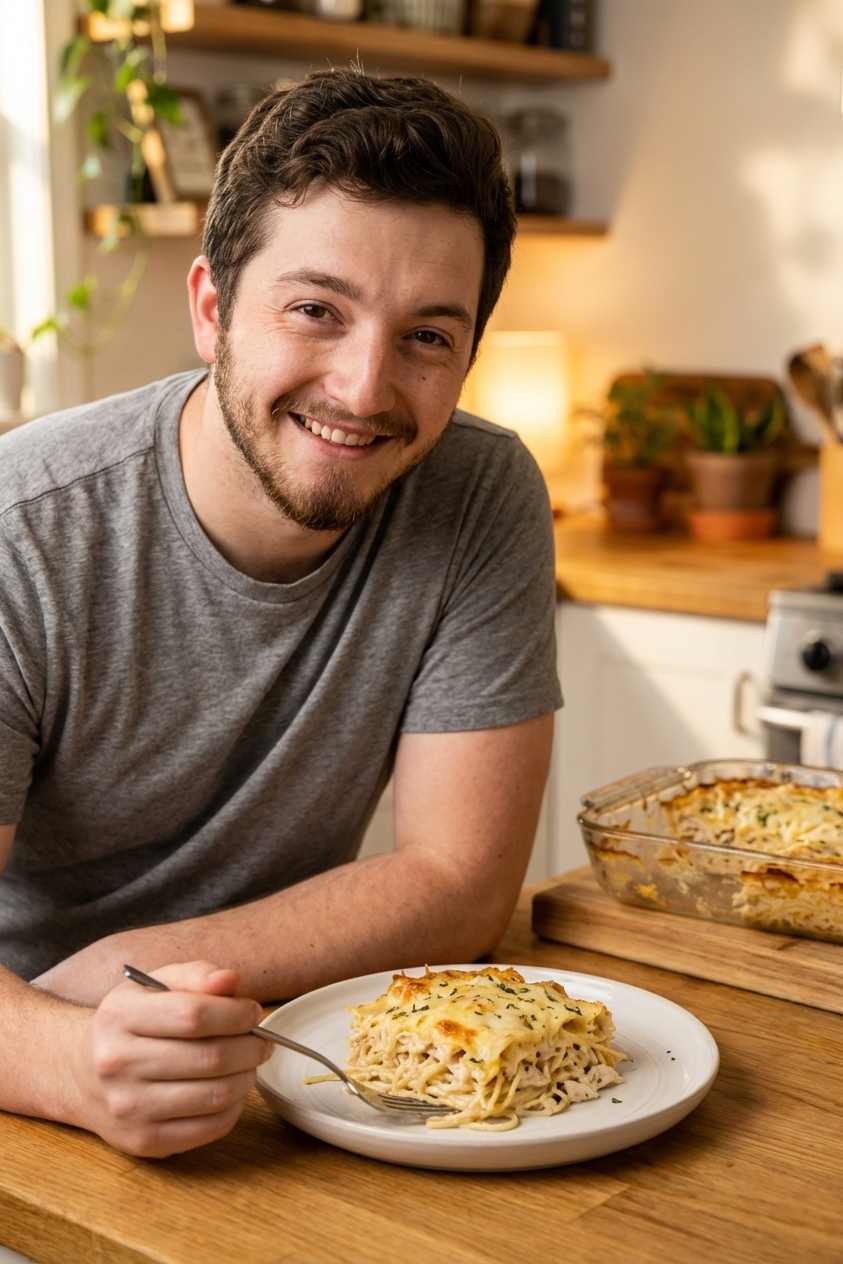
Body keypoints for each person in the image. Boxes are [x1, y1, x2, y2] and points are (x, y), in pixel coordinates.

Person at [0, 69, 561, 1156]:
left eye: (427, 337)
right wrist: (70, 1048)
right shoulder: (22, 529)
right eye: (316, 310)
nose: (363, 388)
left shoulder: (482, 493)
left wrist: (142, 963)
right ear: (212, 306)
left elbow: (459, 880)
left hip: (300, 1072)